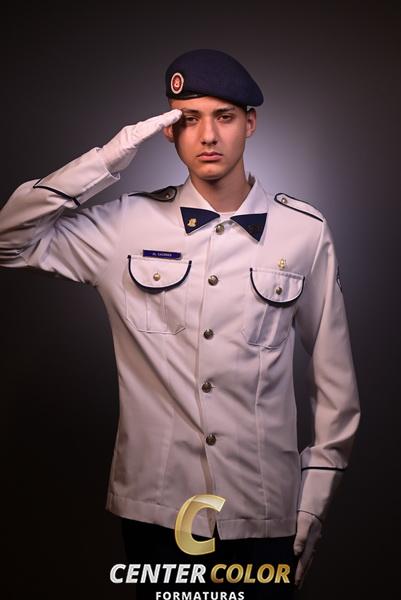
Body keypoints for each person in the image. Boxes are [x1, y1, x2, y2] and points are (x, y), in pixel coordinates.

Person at [0, 49, 360, 598]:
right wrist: (110, 156)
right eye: (189, 119)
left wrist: (314, 503)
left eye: (224, 117)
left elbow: (337, 387)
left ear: (251, 123)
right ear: (168, 131)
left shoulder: (303, 232)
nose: (208, 135)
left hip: (266, 514)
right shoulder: (125, 225)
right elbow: (8, 240)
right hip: (156, 514)